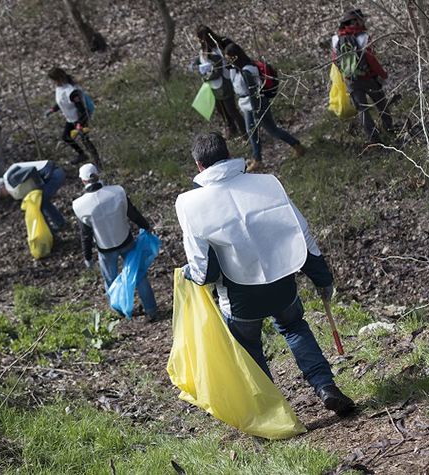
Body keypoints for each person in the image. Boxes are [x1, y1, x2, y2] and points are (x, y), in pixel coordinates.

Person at [175, 132, 354, 416]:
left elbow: (203, 270)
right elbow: (300, 232)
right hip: (282, 282)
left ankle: (275, 414)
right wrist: (321, 276)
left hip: (240, 296)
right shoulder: (267, 183)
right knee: (295, 327)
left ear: (198, 166)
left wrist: (190, 275)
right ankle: (325, 386)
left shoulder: (188, 203)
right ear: (227, 153)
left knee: (249, 350)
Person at [72, 163, 158, 320]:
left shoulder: (79, 205)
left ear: (83, 181)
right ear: (98, 175)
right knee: (139, 275)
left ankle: (119, 310)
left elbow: (85, 234)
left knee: (110, 281)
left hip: (105, 248)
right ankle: (151, 309)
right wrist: (145, 226)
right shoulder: (117, 191)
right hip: (126, 241)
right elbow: (132, 213)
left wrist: (87, 256)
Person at [223, 43, 305, 173]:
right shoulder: (238, 69)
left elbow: (253, 93)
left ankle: (295, 145)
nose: (227, 60)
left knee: (271, 130)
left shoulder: (247, 71)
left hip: (256, 104)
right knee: (252, 132)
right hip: (248, 105)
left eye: (229, 58)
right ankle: (257, 159)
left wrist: (256, 112)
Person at [332, 9, 394, 145]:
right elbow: (372, 60)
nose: (363, 21)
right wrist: (384, 75)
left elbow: (335, 61)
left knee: (363, 110)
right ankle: (390, 128)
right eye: (361, 19)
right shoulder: (363, 37)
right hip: (368, 78)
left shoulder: (336, 39)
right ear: (354, 21)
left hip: (351, 82)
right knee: (381, 103)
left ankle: (374, 139)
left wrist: (348, 73)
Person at [190, 26, 246, 140]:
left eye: (196, 37)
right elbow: (201, 57)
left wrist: (206, 78)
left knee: (231, 110)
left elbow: (218, 72)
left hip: (223, 85)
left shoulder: (215, 52)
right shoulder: (204, 49)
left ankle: (245, 133)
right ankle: (232, 129)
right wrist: (194, 62)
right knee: (222, 110)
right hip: (215, 86)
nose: (194, 39)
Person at [0, 159, 66, 233]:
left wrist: (40, 185)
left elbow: (31, 170)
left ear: (2, 187)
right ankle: (60, 224)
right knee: (41, 202)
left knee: (40, 203)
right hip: (54, 173)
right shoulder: (10, 180)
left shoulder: (12, 179)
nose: (4, 196)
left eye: (1, 194)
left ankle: (51, 232)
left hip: (54, 174)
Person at [43, 67, 100, 166]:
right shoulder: (59, 89)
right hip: (70, 119)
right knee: (65, 137)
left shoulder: (72, 92)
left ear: (57, 79)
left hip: (80, 118)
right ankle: (82, 154)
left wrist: (80, 124)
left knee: (85, 140)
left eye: (52, 79)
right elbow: (62, 103)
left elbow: (82, 110)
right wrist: (53, 110)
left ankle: (98, 162)